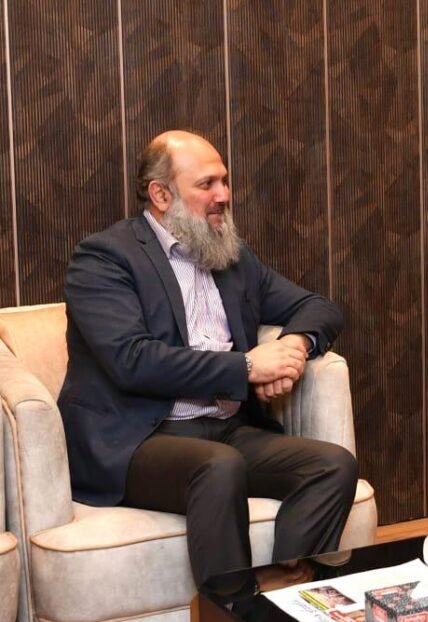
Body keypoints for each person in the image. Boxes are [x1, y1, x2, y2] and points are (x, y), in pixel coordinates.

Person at [59, 130, 358, 587]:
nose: (223, 195)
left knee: (332, 465)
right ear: (161, 194)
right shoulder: (105, 258)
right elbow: (133, 360)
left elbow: (318, 307)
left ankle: (285, 596)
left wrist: (293, 348)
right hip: (140, 439)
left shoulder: (231, 256)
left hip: (226, 429)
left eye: (224, 180)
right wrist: (249, 367)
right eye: (206, 184)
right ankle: (234, 618)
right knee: (218, 465)